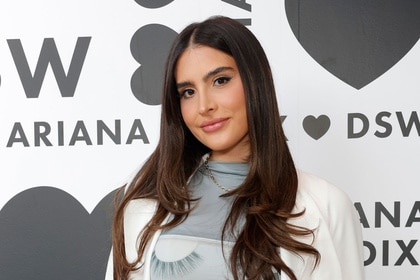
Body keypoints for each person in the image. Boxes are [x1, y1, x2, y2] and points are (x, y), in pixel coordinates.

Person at [111, 16, 364, 280]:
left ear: (256, 82)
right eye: (188, 92)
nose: (203, 105)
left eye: (220, 80)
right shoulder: (145, 202)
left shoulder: (327, 205)